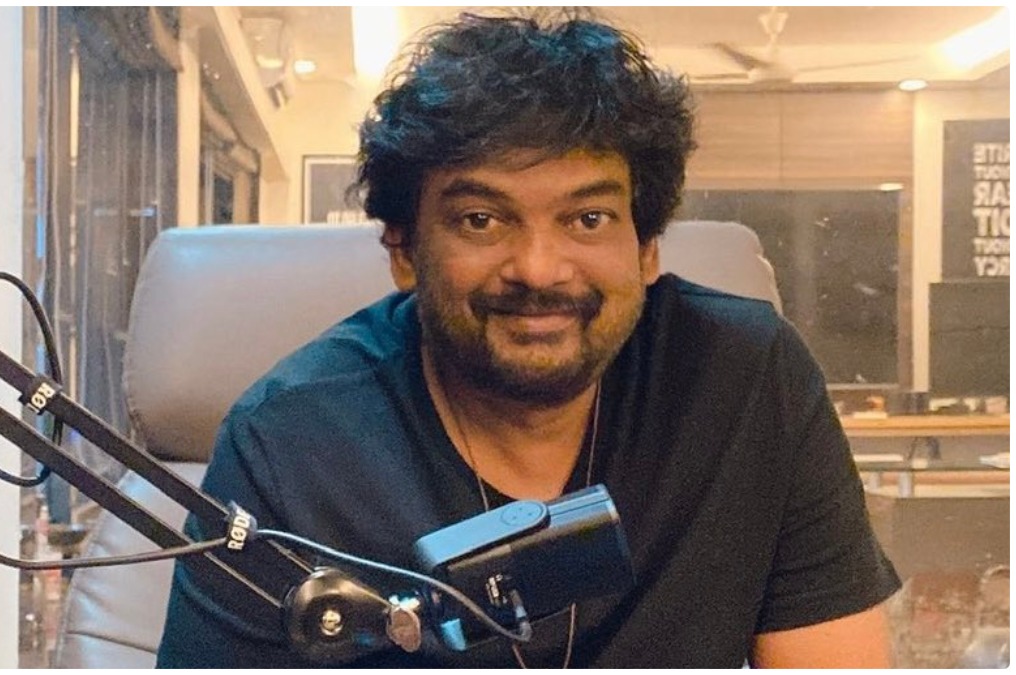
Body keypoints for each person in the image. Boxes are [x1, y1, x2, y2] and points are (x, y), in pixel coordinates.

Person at [157, 10, 900, 668]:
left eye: (588, 219)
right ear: (404, 249)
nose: (539, 269)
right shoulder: (291, 442)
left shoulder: (746, 381)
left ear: (647, 249)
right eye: (481, 219)